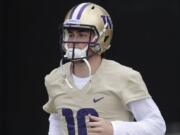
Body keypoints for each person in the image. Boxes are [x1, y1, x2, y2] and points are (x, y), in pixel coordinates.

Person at [43, 2, 166, 135]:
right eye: (71, 34)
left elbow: (157, 126)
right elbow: (57, 121)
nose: (74, 41)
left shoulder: (123, 76)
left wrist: (114, 129)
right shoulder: (55, 78)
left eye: (82, 35)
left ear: (103, 37)